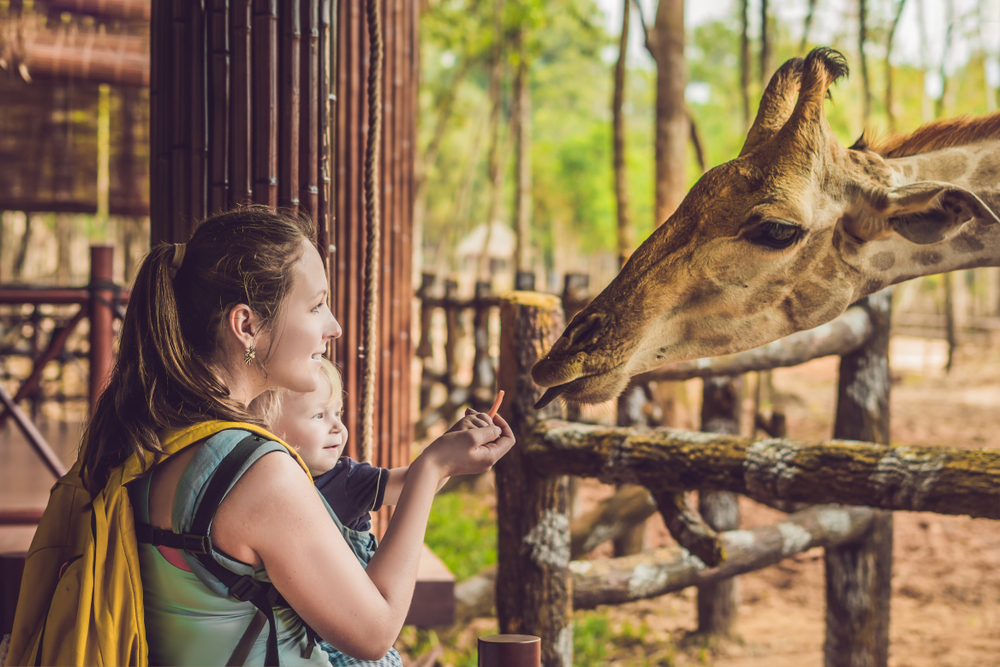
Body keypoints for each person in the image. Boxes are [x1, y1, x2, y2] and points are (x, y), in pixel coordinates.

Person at [80, 206, 515, 665]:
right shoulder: (257, 473)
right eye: (315, 305)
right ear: (247, 325)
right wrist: (432, 468)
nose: (334, 326)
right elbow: (374, 633)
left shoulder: (151, 433)